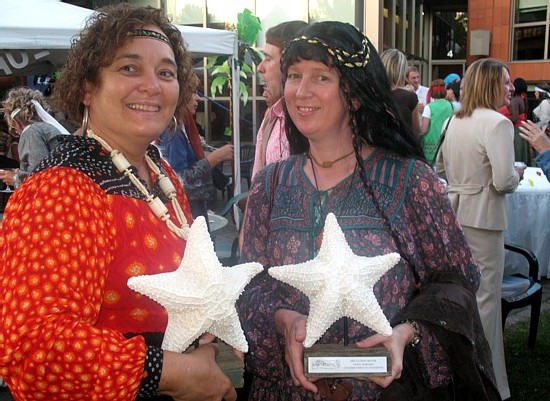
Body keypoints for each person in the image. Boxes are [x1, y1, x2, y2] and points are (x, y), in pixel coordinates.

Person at [237, 21, 499, 401]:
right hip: (285, 391)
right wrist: (285, 320)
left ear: (356, 94)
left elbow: (457, 282)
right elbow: (252, 284)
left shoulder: (412, 181)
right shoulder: (270, 185)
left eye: (321, 77)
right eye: (294, 75)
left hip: (386, 392)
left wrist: (405, 332)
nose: (301, 91)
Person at [0, 4, 237, 401]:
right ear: (87, 87)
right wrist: (173, 372)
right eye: (129, 68)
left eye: (166, 72)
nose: (152, 85)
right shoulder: (61, 190)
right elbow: (32, 349)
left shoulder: (160, 173)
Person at [436, 58, 524, 401]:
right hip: (484, 219)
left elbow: (440, 166)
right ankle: (488, 384)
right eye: (504, 82)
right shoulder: (498, 124)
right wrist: (515, 171)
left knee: (462, 298)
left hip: (455, 216)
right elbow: (504, 181)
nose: (510, 88)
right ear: (490, 84)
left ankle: (457, 374)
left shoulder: (454, 120)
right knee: (486, 301)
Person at [158, 77, 233, 223]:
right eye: (194, 92)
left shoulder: (183, 127)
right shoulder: (173, 133)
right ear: (181, 95)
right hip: (188, 215)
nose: (198, 97)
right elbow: (178, 180)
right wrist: (213, 159)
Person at [251, 20, 308, 181]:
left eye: (268, 58)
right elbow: (258, 183)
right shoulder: (272, 117)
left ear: (289, 65)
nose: (260, 67)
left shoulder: (323, 119)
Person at [0, 87, 69, 188]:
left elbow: (40, 176)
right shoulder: (49, 128)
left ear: (15, 122)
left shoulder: (31, 132)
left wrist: (15, 179)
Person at [380, 48, 421, 136]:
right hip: (401, 147)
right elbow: (416, 131)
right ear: (401, 71)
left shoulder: (372, 94)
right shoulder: (409, 97)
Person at [421, 79, 455, 164]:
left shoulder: (429, 107)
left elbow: (424, 129)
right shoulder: (451, 106)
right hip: (447, 144)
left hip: (431, 146)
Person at [501, 77, 530, 165]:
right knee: (523, 154)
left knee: (517, 155)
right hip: (522, 128)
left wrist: (501, 118)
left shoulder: (515, 100)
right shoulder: (523, 98)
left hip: (517, 130)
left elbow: (514, 118)